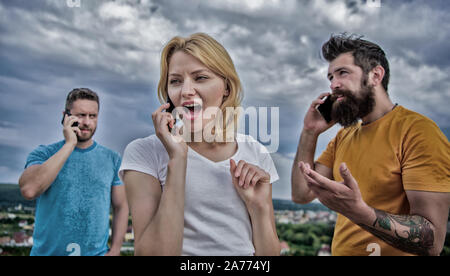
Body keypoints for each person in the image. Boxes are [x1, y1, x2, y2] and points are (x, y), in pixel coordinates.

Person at [120, 33, 281, 256]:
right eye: (175, 81)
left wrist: (259, 207)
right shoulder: (144, 152)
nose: (186, 91)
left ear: (226, 87)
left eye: (200, 78)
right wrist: (178, 159)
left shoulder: (256, 152)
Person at [291, 34, 450, 256]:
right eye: (330, 77)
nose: (333, 84)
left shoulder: (419, 132)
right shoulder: (343, 137)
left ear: (375, 75)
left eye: (343, 73)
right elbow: (301, 194)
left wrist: (360, 212)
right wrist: (309, 132)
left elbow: (432, 241)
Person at [19, 88, 129, 256]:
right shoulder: (43, 154)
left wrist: (115, 250)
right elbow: (29, 189)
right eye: (80, 115)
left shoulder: (112, 159)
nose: (87, 122)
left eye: (93, 116)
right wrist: (70, 144)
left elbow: (121, 206)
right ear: (65, 116)